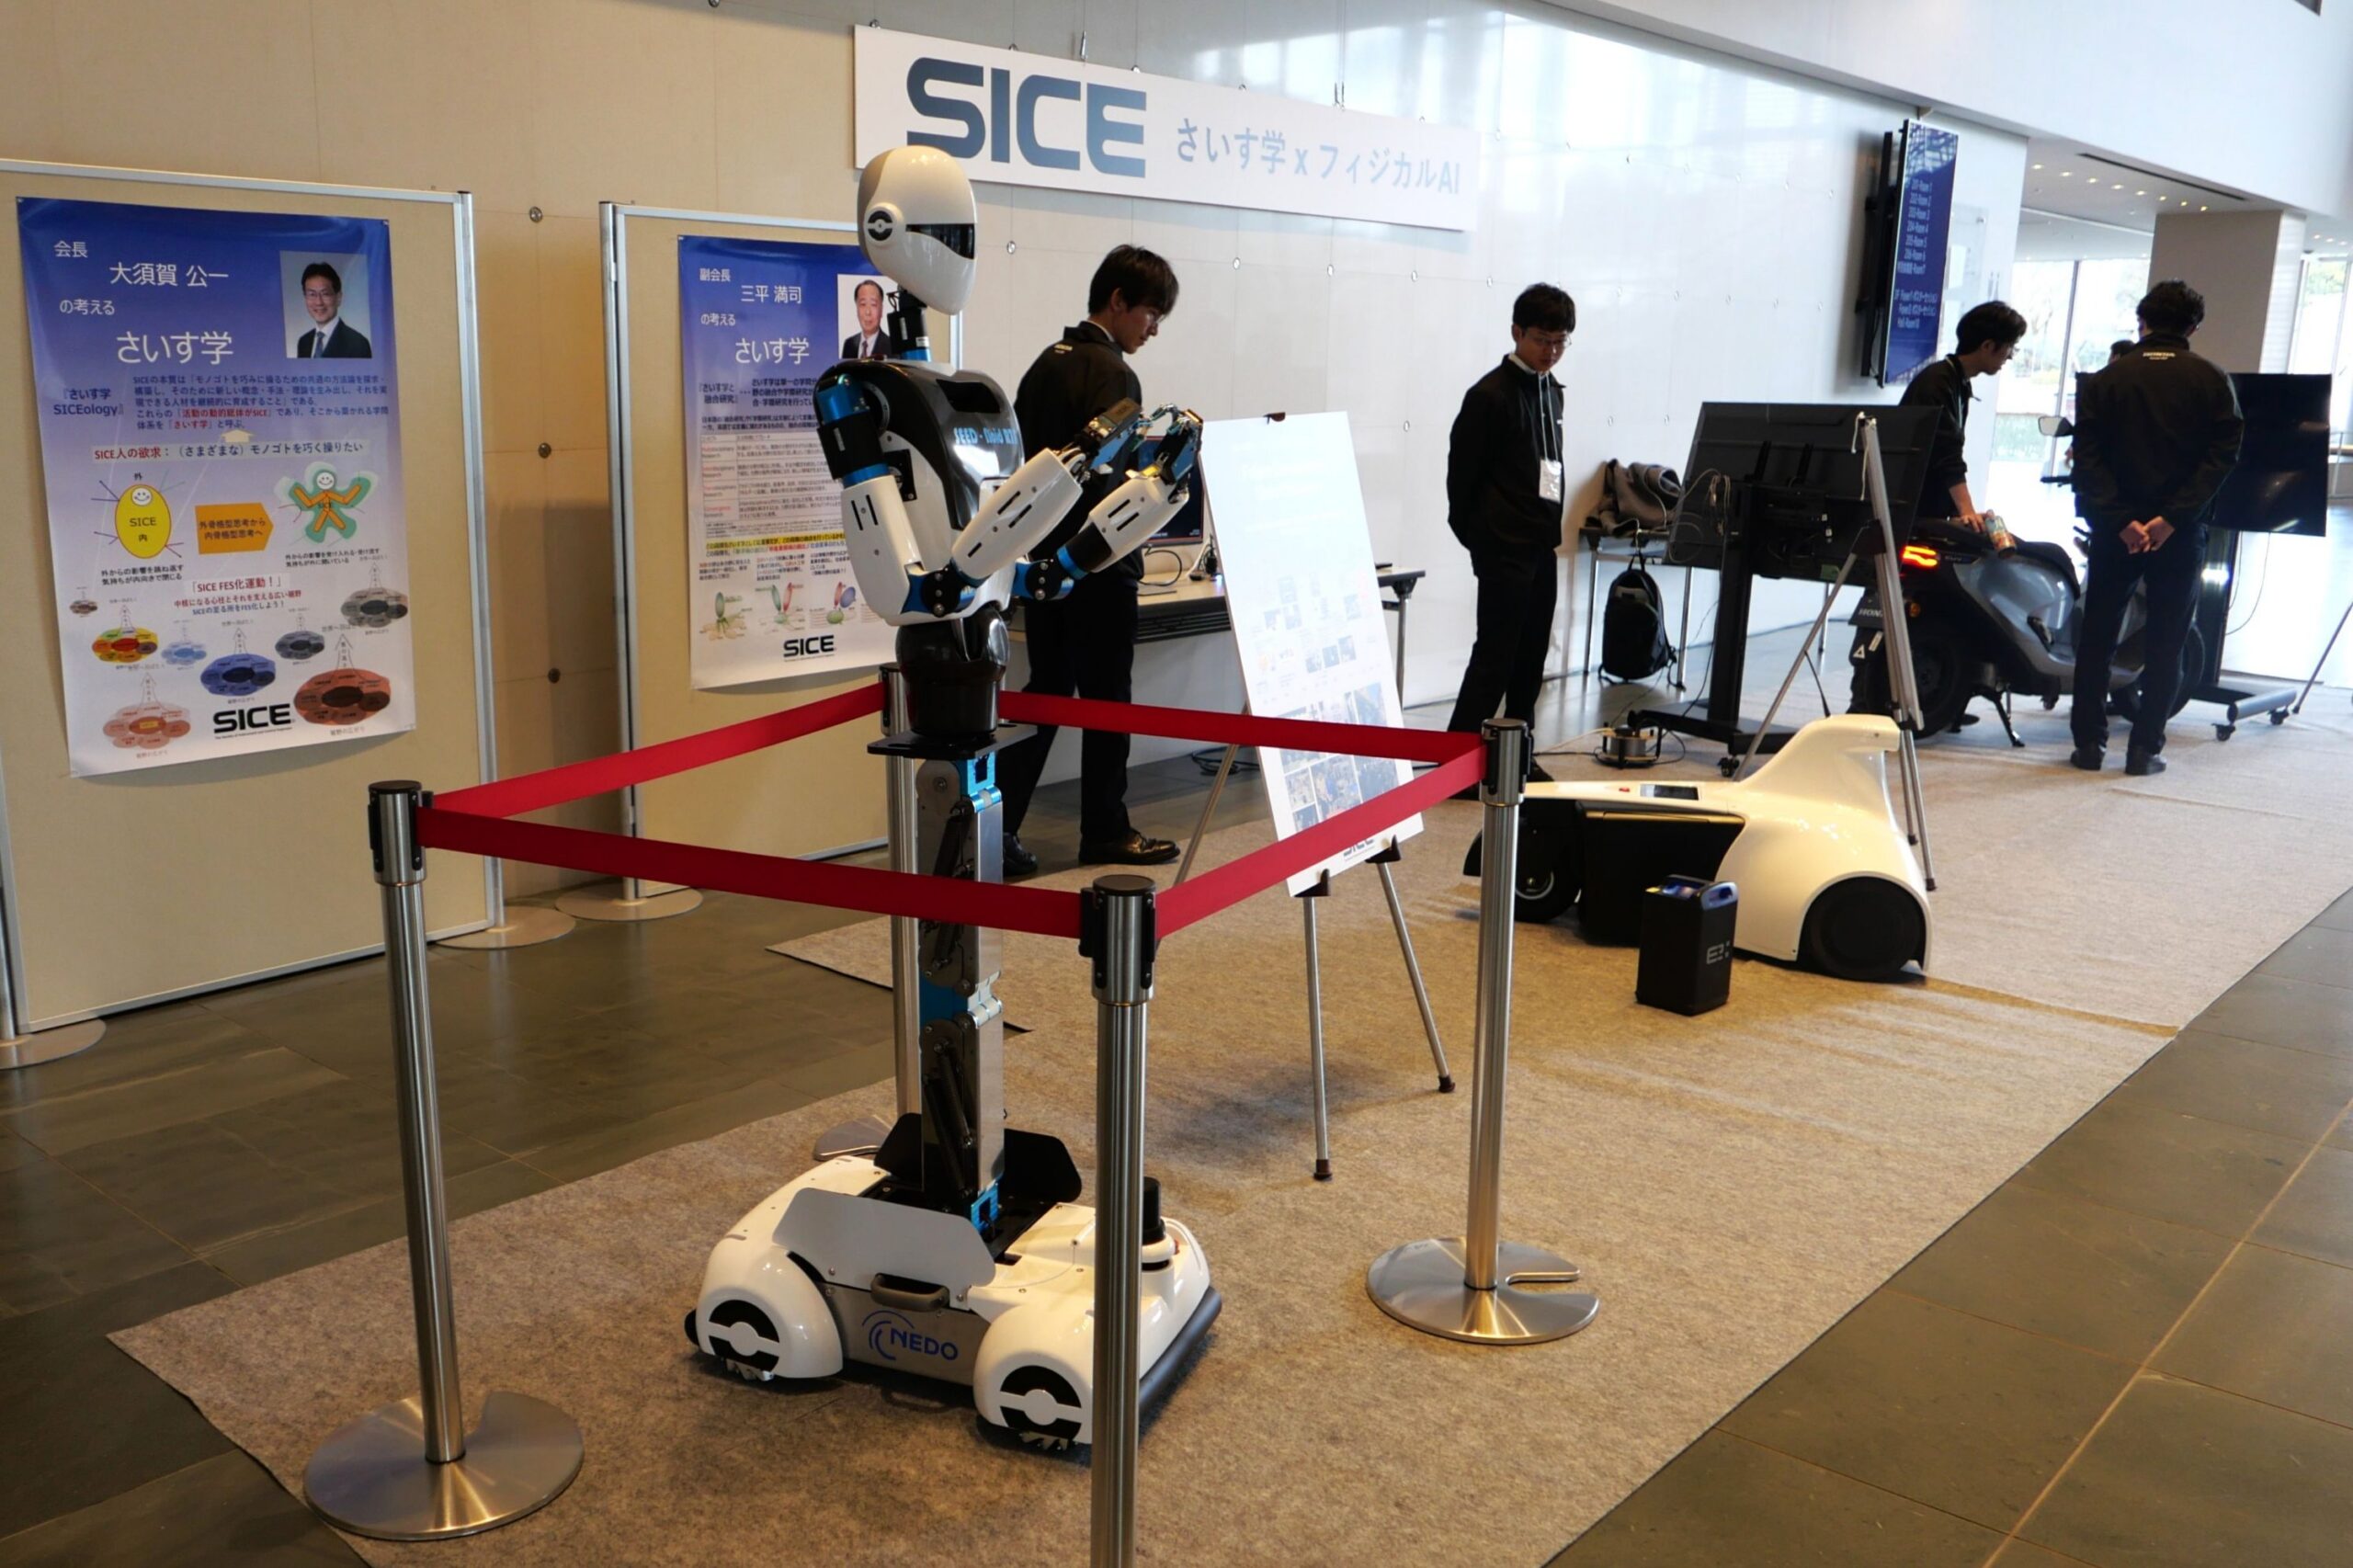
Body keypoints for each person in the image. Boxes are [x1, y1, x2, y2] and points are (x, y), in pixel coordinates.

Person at [994, 244, 1182, 874]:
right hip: (1098, 563)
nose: (1152, 330)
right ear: (1118, 301)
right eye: (1150, 314)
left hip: (1044, 562)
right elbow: (1112, 482)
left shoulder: (1045, 364)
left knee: (1046, 693)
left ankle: (996, 826)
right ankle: (1105, 829)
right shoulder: (1115, 375)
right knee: (1107, 700)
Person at [2067, 278, 2243, 777]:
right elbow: (2222, 459)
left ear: (2141, 322)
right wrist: (2171, 518)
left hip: (2114, 531)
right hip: (2179, 534)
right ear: (2193, 327)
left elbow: (2087, 459)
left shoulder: (2106, 380)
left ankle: (2088, 746)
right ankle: (2144, 750)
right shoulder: (2212, 380)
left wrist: (2121, 520)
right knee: (2168, 640)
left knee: (2098, 635)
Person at [1442, 282, 1574, 777]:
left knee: (1531, 658)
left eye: (1560, 342)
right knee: (1494, 657)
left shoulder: (1552, 392)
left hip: (1542, 547)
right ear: (1517, 332)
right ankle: (1455, 763)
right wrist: (1485, 541)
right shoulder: (1489, 397)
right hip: (1503, 550)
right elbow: (1461, 483)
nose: (1551, 351)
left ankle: (1518, 758)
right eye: (1542, 340)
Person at [1900, 300, 2025, 530]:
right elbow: (1947, 455)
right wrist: (1967, 511)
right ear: (1988, 345)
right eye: (2010, 347)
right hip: (1912, 513)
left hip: (1928, 508)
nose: (2010, 357)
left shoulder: (1956, 381)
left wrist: (1963, 513)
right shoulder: (1938, 382)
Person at [293, 262, 370, 358]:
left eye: (325, 294)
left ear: (338, 298)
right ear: (305, 298)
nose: (319, 302)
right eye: (312, 294)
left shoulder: (358, 344)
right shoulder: (303, 342)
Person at [841, 278, 892, 361]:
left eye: (873, 304)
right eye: (863, 304)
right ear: (857, 309)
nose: (868, 312)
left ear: (881, 310)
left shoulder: (892, 347)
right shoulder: (849, 344)